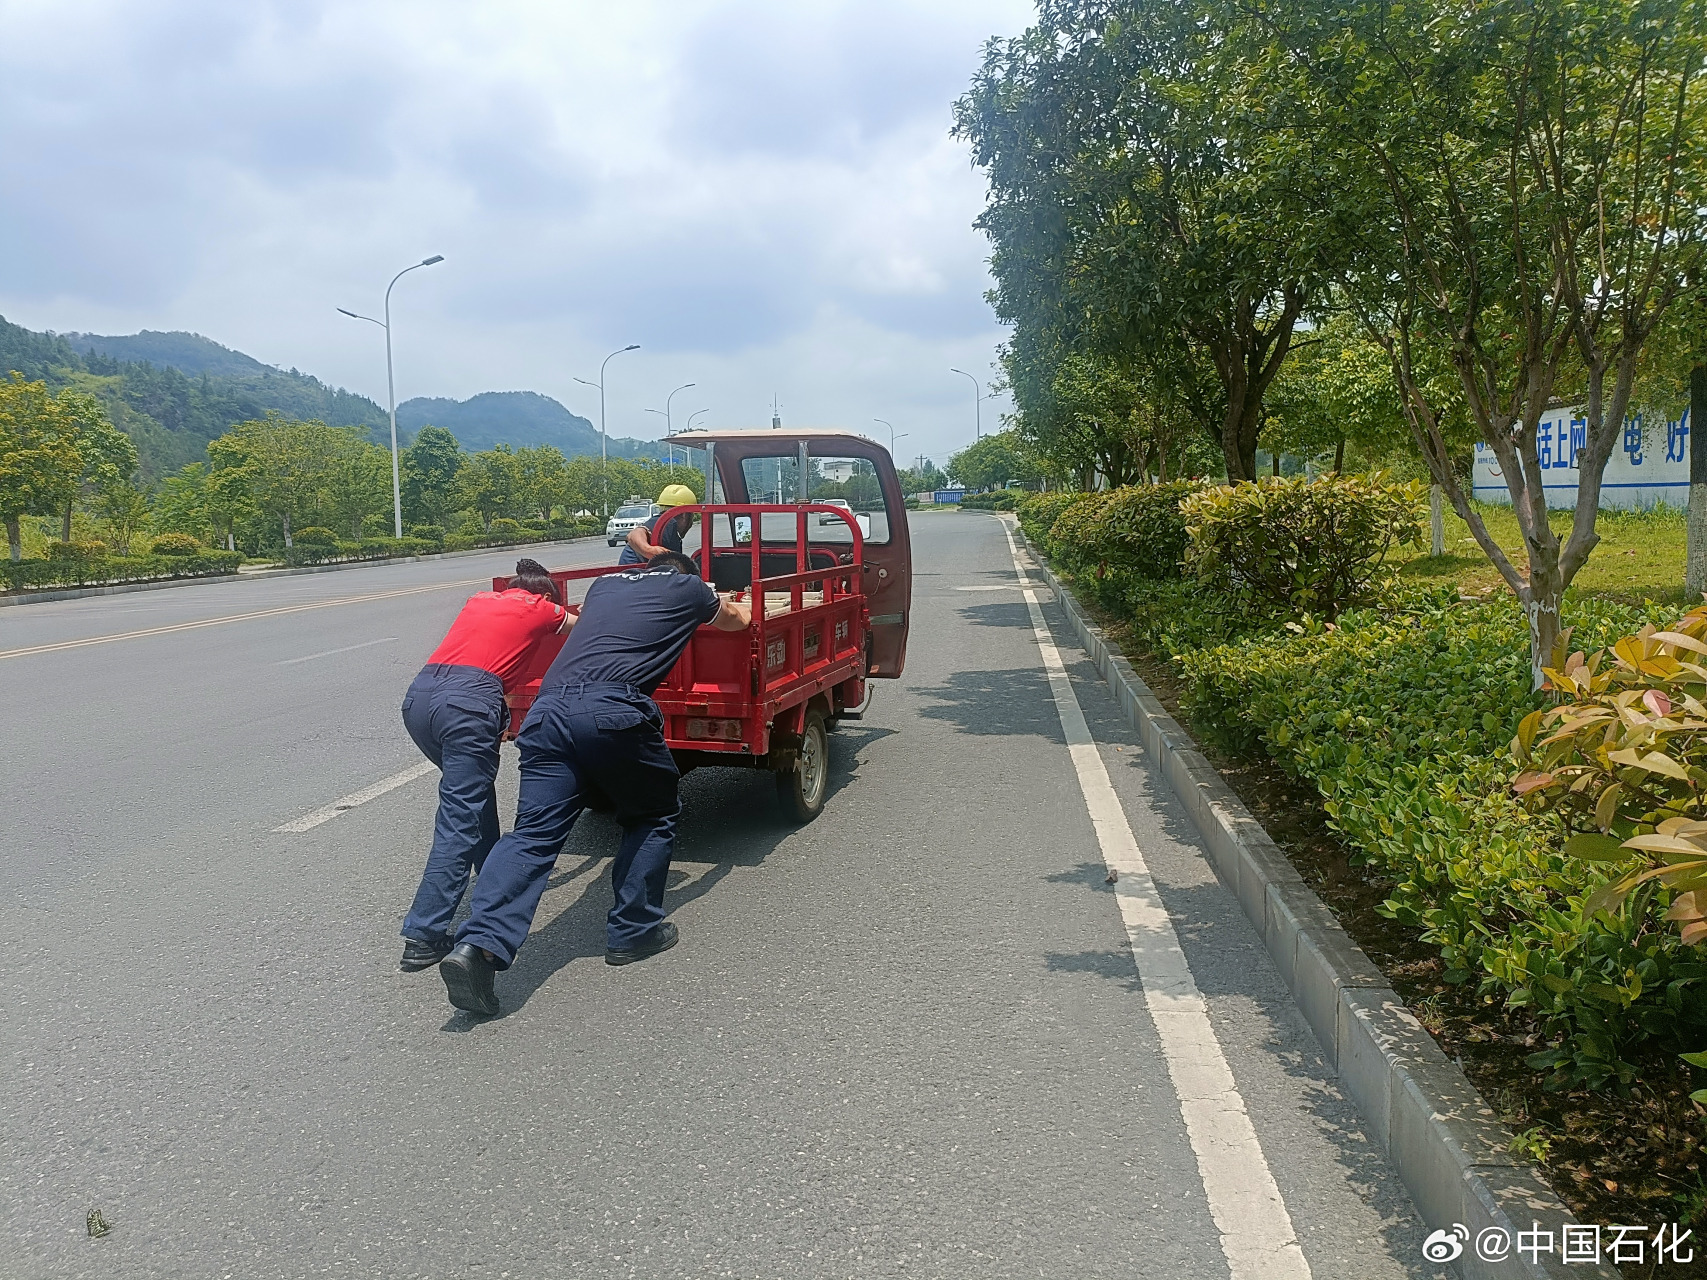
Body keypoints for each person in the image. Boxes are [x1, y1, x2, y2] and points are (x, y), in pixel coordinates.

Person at [439, 551, 751, 1016]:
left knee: (532, 835)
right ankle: (634, 929)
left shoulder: (605, 585)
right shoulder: (689, 588)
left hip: (547, 714)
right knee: (652, 813)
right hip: (613, 711)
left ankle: (478, 945)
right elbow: (736, 622)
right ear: (686, 573)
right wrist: (734, 600)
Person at [396, 558, 574, 973]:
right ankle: (424, 934)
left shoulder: (480, 598)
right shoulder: (543, 607)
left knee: (473, 800)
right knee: (460, 817)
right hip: (469, 703)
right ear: (545, 594)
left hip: (420, 697)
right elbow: (586, 631)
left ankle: (492, 879)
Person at [619, 483, 700, 565]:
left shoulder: (668, 528)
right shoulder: (667, 524)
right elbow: (634, 534)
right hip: (634, 574)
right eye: (691, 515)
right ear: (685, 515)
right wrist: (649, 551)